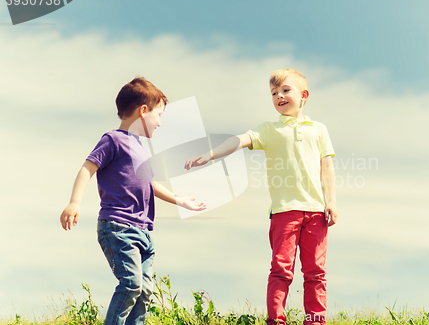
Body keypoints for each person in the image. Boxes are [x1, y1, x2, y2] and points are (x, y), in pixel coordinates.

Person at [185, 69, 337, 325]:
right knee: (281, 270)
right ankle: (276, 321)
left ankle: (315, 321)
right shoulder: (269, 129)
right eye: (274, 93)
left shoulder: (319, 129)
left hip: (315, 212)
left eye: (286, 90)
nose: (279, 96)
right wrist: (211, 154)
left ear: (304, 95)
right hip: (284, 211)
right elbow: (240, 140)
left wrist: (331, 201)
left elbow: (327, 167)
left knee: (315, 273)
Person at [60, 77, 206, 325]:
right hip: (118, 227)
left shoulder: (142, 148)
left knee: (145, 291)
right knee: (131, 284)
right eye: (159, 115)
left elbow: (151, 184)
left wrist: (179, 200)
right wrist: (74, 202)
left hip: (144, 231)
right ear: (143, 111)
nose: (160, 123)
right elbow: (87, 169)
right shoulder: (112, 140)